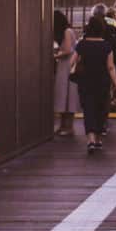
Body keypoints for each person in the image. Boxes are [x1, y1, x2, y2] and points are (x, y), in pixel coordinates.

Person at [69, 18, 116, 153]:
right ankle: (98, 139)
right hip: (102, 81)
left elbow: (72, 61)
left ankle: (90, 139)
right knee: (100, 109)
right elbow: (110, 67)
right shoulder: (107, 46)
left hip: (85, 81)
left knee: (89, 109)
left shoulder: (82, 44)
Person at [52, 9, 76, 138]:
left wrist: (55, 55)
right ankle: (63, 125)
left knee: (66, 95)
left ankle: (68, 127)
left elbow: (67, 50)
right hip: (66, 65)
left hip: (66, 65)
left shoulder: (66, 32)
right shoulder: (70, 30)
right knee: (65, 95)